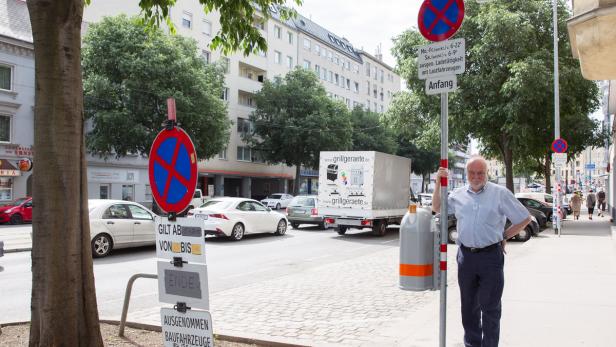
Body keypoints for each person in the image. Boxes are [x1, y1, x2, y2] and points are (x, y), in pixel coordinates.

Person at [432, 156, 531, 347]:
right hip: (466, 257)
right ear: (467, 174)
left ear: (487, 173)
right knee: (468, 307)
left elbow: (524, 218)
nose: (476, 176)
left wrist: (504, 236)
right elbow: (437, 208)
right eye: (472, 173)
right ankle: (472, 344)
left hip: (490, 258)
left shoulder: (500, 193)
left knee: (490, 307)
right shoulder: (458, 194)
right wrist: (438, 182)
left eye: (480, 173)